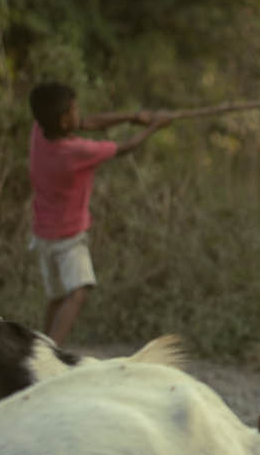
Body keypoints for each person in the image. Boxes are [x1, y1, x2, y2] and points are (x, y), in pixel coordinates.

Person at [27, 82, 170, 345]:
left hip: (43, 235)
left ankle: (38, 349)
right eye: (74, 109)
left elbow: (87, 122)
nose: (78, 113)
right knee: (79, 293)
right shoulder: (75, 152)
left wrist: (133, 117)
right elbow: (123, 148)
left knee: (57, 298)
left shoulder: (39, 131)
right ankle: (51, 353)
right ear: (63, 120)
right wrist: (153, 128)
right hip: (68, 238)